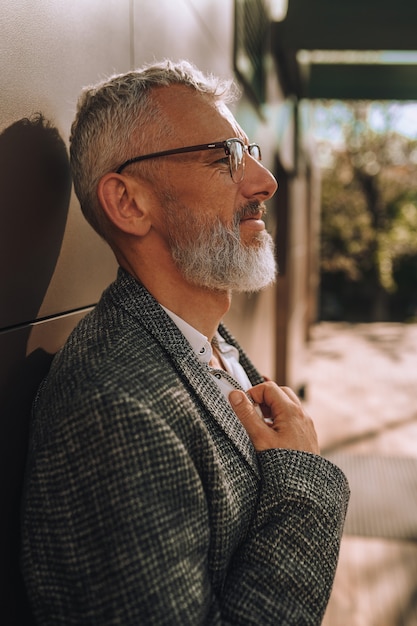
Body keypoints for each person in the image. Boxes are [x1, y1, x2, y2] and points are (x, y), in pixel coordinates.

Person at [21, 60, 349, 625]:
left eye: (251, 152)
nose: (264, 182)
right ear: (128, 203)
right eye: (225, 156)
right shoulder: (113, 410)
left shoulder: (203, 340)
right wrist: (302, 482)